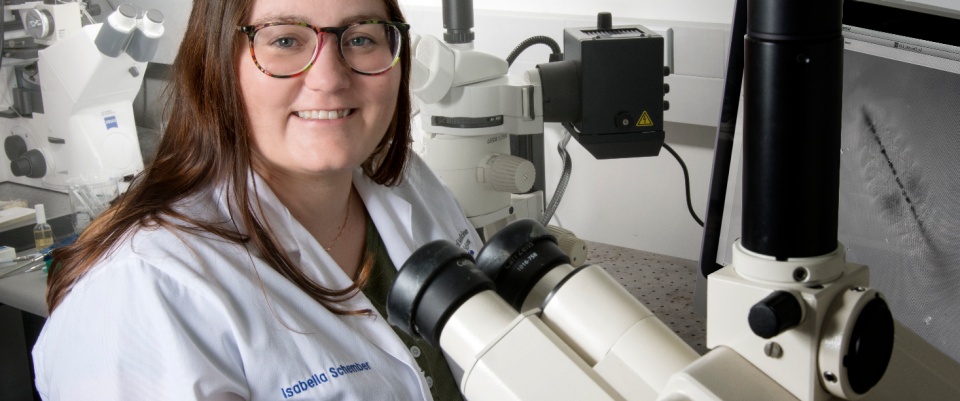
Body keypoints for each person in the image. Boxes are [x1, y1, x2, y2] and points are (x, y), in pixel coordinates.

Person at [32, 0, 480, 399]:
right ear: (217, 64)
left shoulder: (406, 179)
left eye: (361, 38)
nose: (329, 79)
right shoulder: (143, 293)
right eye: (285, 40)